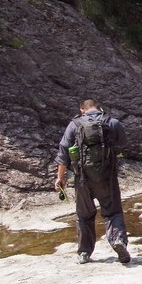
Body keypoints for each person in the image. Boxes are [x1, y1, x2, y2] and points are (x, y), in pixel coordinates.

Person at [55, 99, 130, 264]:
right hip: (107, 178)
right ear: (99, 108)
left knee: (84, 216)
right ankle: (117, 240)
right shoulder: (112, 122)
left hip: (82, 179)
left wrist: (61, 178)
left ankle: (84, 253)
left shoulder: (74, 125)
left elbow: (63, 152)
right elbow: (123, 144)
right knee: (113, 212)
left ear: (82, 109)